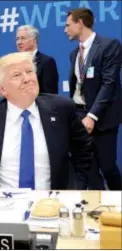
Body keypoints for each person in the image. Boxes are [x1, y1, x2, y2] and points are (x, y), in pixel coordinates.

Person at [0, 52, 92, 189]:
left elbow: (83, 148)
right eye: (17, 75)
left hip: (51, 204)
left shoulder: (61, 109)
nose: (27, 79)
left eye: (29, 72)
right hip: (0, 205)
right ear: (2, 89)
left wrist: (77, 186)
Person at [65, 8, 122, 190]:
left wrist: (92, 116)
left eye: (68, 25)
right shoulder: (74, 54)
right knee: (88, 168)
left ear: (80, 23)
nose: (65, 30)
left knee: (107, 167)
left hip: (102, 116)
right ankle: (95, 208)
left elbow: (109, 83)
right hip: (80, 114)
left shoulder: (109, 45)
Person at [16, 25, 59, 94]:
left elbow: (49, 95)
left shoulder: (46, 62)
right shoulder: (15, 63)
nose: (19, 42)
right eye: (17, 39)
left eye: (23, 38)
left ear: (34, 41)